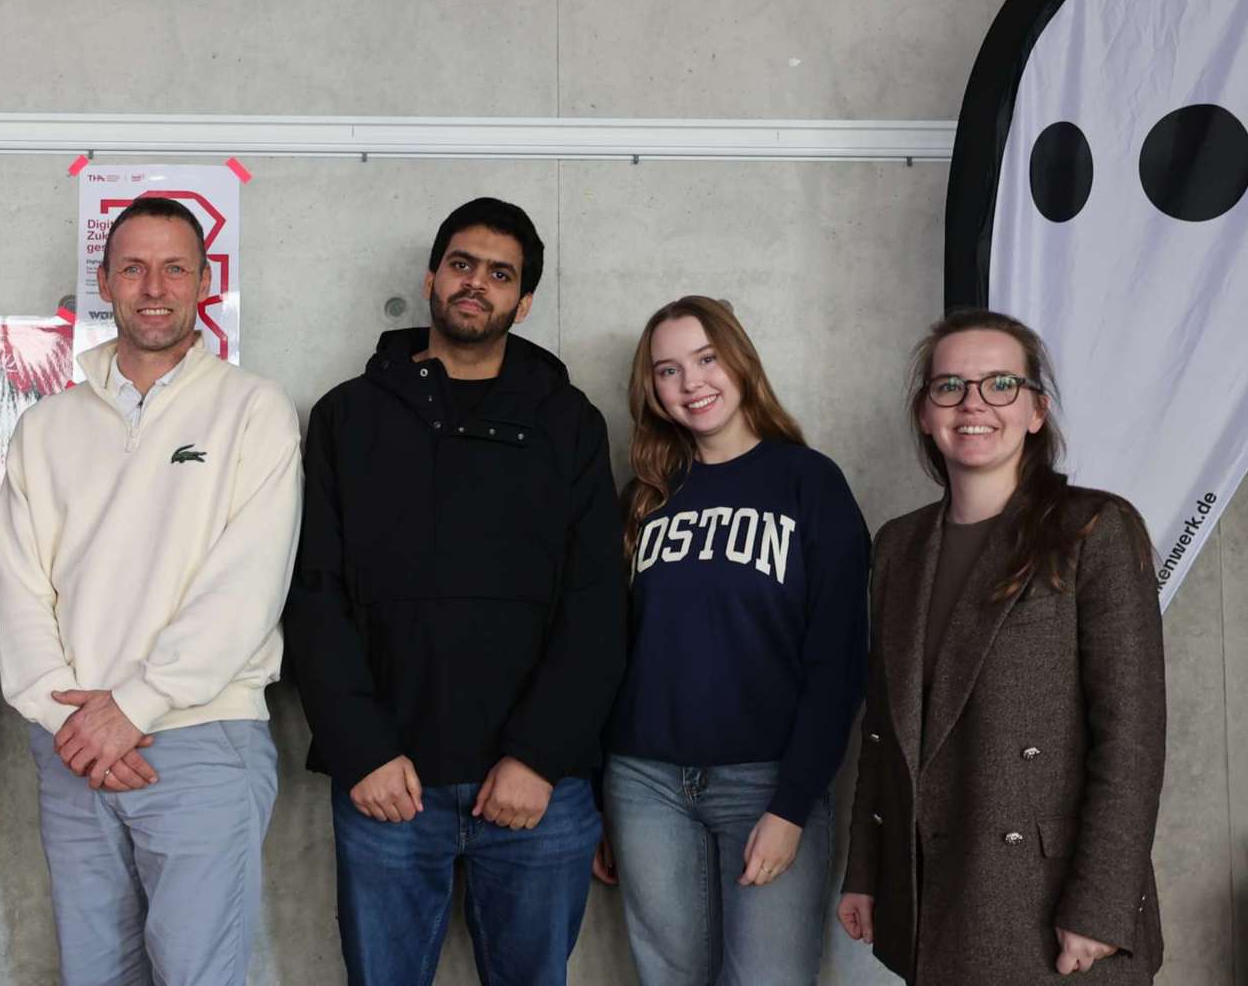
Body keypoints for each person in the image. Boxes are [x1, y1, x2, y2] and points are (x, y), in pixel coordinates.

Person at [283, 196, 623, 986]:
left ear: (523, 300)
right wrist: (363, 749)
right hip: (387, 785)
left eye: (500, 274)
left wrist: (538, 756)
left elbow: (598, 607)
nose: (477, 284)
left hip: (541, 789)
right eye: (463, 264)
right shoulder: (348, 417)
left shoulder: (570, 422)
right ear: (433, 275)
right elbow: (314, 596)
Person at [0, 196, 302, 985]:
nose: (153, 286)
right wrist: (68, 717)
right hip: (70, 745)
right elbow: (22, 586)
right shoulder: (47, 426)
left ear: (204, 281)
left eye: (174, 267)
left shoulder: (253, 409)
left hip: (200, 739)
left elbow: (249, 583)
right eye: (133, 267)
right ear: (105, 281)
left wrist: (130, 708)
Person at [838, 309, 1165, 983]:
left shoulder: (1095, 530)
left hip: (1053, 904)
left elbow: (1131, 738)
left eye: (1001, 384)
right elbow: (883, 728)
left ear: (1037, 410)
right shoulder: (898, 546)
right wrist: (867, 870)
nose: (974, 403)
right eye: (950, 386)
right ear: (926, 414)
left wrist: (1101, 906)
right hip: (934, 887)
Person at [595, 296, 869, 984]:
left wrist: (792, 802)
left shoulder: (811, 483)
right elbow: (608, 653)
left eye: (706, 359)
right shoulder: (644, 498)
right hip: (644, 784)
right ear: (651, 391)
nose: (691, 383)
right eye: (667, 370)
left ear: (740, 361)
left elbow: (838, 659)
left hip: (767, 780)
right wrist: (598, 797)